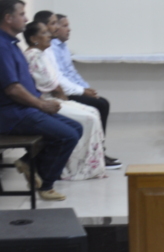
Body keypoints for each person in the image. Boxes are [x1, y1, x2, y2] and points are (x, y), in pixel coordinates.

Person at [0, 0, 81, 202]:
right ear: (8, 18)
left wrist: (41, 103)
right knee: (68, 136)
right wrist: (42, 104)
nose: (26, 19)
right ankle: (46, 185)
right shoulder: (0, 48)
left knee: (76, 128)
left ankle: (29, 163)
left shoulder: (10, 44)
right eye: (22, 14)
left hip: (27, 110)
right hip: (15, 115)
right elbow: (12, 89)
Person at [22, 21, 107, 180]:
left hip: (52, 98)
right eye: (44, 33)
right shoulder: (33, 55)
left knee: (94, 111)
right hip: (46, 101)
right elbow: (47, 82)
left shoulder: (41, 53)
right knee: (89, 118)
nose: (49, 35)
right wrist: (61, 94)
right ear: (33, 38)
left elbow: (55, 78)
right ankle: (74, 167)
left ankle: (88, 164)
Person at [41, 11, 121, 169]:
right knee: (99, 106)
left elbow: (71, 72)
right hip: (59, 94)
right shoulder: (50, 48)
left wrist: (85, 87)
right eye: (61, 25)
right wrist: (81, 91)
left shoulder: (61, 47)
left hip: (67, 90)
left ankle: (98, 151)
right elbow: (58, 79)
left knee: (101, 102)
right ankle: (96, 154)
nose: (67, 29)